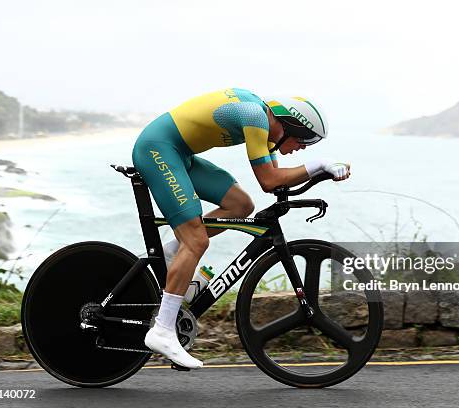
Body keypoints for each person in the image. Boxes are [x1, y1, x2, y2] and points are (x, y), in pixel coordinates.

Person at [132, 88, 350, 369]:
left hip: (179, 154)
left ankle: (172, 251)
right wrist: (318, 165)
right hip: (157, 150)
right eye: (304, 139)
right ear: (289, 125)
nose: (304, 148)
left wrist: (318, 171)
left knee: (240, 204)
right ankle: (162, 330)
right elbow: (270, 181)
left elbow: (277, 179)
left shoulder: (262, 120)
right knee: (196, 241)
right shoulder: (254, 117)